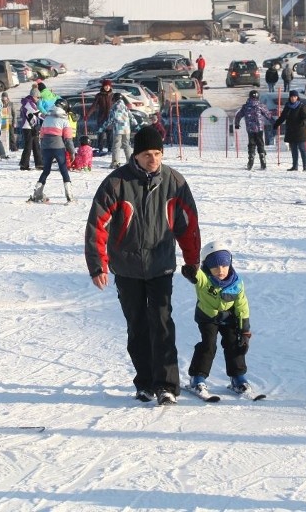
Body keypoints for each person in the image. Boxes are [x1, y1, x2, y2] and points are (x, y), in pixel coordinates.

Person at [84, 126, 200, 406]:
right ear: (135, 155)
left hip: (160, 265)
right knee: (137, 326)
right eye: (147, 154)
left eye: (158, 153)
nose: (153, 159)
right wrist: (98, 265)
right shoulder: (116, 183)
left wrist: (192, 259)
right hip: (127, 267)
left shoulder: (174, 182)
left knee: (161, 323)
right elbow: (96, 225)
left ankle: (167, 384)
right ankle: (145, 382)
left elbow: (188, 225)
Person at [183, 242, 253, 396]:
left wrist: (245, 331)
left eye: (224, 266)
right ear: (208, 267)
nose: (220, 270)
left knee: (234, 343)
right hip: (208, 317)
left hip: (229, 318)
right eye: (215, 267)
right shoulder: (205, 279)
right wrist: (191, 271)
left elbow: (242, 306)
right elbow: (196, 275)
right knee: (208, 345)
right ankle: (197, 378)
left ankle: (238, 377)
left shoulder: (237, 283)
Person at [28, 99, 75, 204]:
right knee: (64, 171)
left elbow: (41, 134)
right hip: (58, 147)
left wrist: (43, 147)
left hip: (45, 147)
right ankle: (69, 197)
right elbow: (68, 139)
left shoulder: (47, 118)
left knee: (46, 171)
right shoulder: (64, 120)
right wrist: (71, 152)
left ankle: (37, 194)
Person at [234, 90, 273, 170]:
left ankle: (250, 160)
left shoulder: (245, 106)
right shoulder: (261, 105)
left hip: (250, 128)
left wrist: (237, 124)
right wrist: (274, 123)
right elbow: (268, 115)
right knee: (260, 144)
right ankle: (263, 161)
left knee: (251, 144)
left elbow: (238, 115)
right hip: (259, 128)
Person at [273, 90, 306, 172]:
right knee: (293, 149)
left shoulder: (302, 106)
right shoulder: (287, 106)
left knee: (302, 148)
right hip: (291, 130)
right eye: (292, 97)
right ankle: (295, 166)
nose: (293, 98)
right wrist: (276, 124)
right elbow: (282, 117)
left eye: (295, 97)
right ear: (290, 97)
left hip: (300, 130)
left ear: (297, 97)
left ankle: (305, 167)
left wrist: (304, 122)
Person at [99, 92, 138, 169]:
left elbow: (110, 119)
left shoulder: (114, 107)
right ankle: (130, 162)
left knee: (116, 146)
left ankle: (115, 163)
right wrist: (136, 124)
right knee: (127, 145)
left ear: (114, 99)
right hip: (127, 129)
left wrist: (103, 127)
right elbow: (131, 116)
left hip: (118, 129)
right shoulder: (125, 106)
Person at [19, 86, 44, 171]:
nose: (38, 99)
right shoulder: (28, 102)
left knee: (36, 145)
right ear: (33, 96)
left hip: (33, 127)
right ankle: (24, 165)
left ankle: (39, 164)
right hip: (28, 127)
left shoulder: (31, 102)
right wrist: (47, 117)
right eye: (38, 97)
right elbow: (37, 113)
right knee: (28, 146)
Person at [88, 79, 114, 155]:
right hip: (101, 118)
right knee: (101, 134)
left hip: (110, 118)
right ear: (103, 86)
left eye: (108, 86)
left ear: (110, 87)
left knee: (110, 135)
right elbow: (94, 106)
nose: (107, 87)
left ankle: (110, 149)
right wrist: (88, 114)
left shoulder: (113, 95)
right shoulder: (99, 95)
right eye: (106, 86)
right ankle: (100, 149)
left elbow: (116, 106)